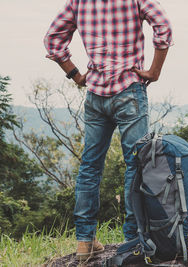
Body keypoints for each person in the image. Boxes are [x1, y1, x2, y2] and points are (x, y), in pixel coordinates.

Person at [43, 0, 173, 261]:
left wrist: (76, 74)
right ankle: (133, 240)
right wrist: (155, 70)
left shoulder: (78, 2)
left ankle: (85, 241)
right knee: (135, 165)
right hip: (129, 91)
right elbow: (163, 26)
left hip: (95, 94)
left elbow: (52, 40)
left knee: (90, 166)